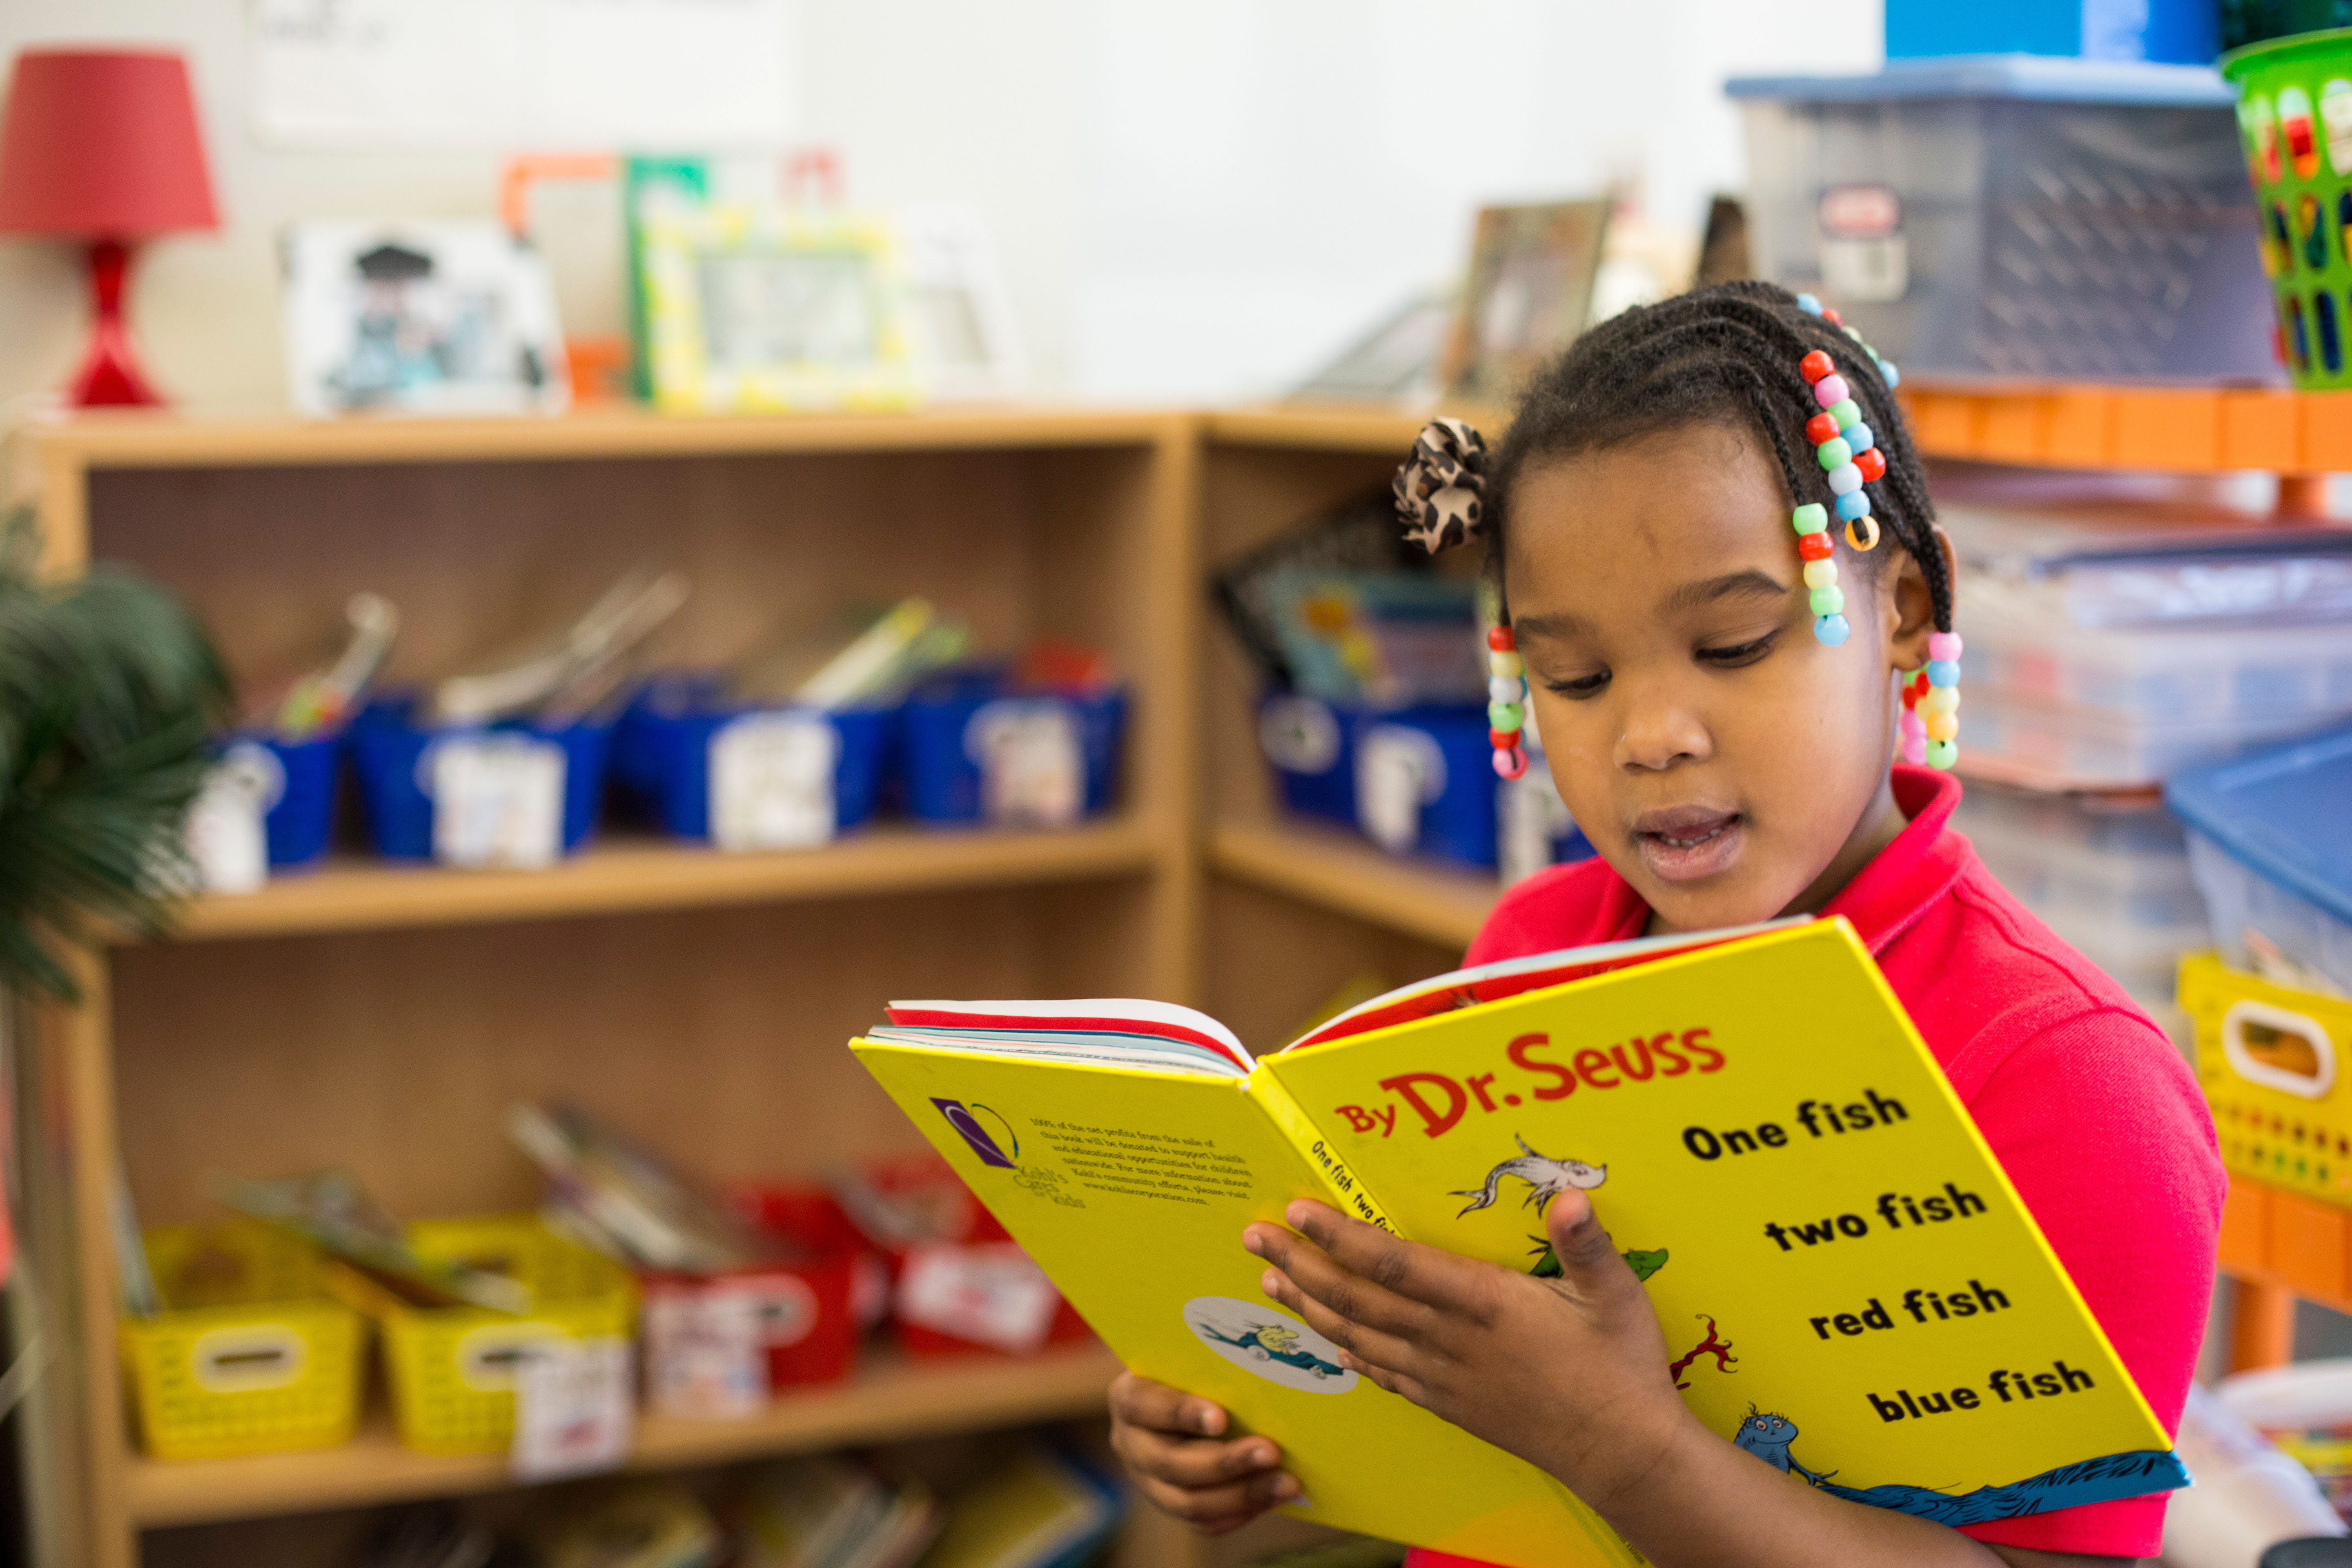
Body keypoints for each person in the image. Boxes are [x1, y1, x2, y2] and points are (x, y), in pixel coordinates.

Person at [1108, 282, 2223, 1567]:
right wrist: (1264, 1401)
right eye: (1574, 678)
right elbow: (1460, 1384)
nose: (1650, 738)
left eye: (1736, 644)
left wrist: (1621, 1445)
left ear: (1904, 612)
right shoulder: (1530, 949)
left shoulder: (2074, 1083)